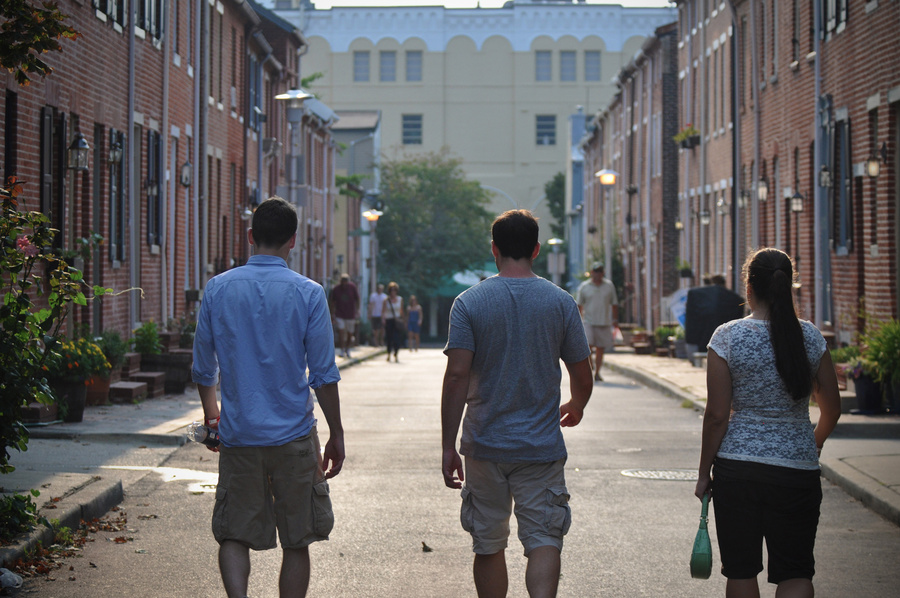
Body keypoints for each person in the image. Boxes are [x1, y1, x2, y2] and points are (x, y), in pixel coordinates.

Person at [191, 197, 345, 598]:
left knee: (233, 533)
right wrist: (337, 433)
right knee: (297, 538)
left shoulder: (218, 288)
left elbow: (203, 367)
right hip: (294, 435)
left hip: (239, 435)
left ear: (250, 236)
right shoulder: (309, 293)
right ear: (293, 240)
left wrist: (212, 417)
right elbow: (323, 376)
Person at [441, 209, 593, 598]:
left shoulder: (469, 303)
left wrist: (448, 445)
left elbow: (456, 376)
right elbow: (582, 371)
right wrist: (577, 404)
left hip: (484, 444)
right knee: (544, 538)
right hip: (540, 447)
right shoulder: (560, 302)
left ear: (494, 248)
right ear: (536, 250)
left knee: (488, 542)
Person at [695, 247, 841, 598]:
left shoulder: (727, 336)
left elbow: (717, 416)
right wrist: (813, 443)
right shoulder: (810, 337)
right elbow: (832, 409)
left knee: (741, 570)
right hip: (797, 470)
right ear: (788, 286)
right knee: (795, 572)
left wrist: (703, 473)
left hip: (738, 470)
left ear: (749, 288)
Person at [576, 261, 618, 382]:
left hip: (604, 321)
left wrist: (615, 319)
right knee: (587, 345)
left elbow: (614, 303)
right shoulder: (585, 286)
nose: (597, 274)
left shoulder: (609, 286)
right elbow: (579, 304)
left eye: (600, 272)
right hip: (588, 321)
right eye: (595, 271)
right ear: (591, 272)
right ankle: (590, 366)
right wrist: (578, 321)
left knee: (600, 348)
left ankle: (597, 372)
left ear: (603, 273)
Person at [330, 273, 360, 358]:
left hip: (350, 314)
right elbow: (332, 302)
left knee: (350, 333)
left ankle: (347, 348)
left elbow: (357, 299)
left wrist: (357, 310)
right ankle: (342, 349)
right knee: (341, 331)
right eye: (343, 282)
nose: (344, 284)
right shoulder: (336, 289)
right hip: (340, 313)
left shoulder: (352, 287)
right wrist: (332, 313)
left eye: (346, 282)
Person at [381, 281, 404, 362]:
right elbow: (383, 311)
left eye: (394, 290)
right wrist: (383, 319)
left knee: (396, 338)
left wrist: (402, 320)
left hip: (396, 320)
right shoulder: (386, 300)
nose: (393, 292)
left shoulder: (400, 299)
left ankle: (396, 354)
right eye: (391, 290)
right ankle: (388, 353)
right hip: (389, 320)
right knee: (389, 338)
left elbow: (401, 311)